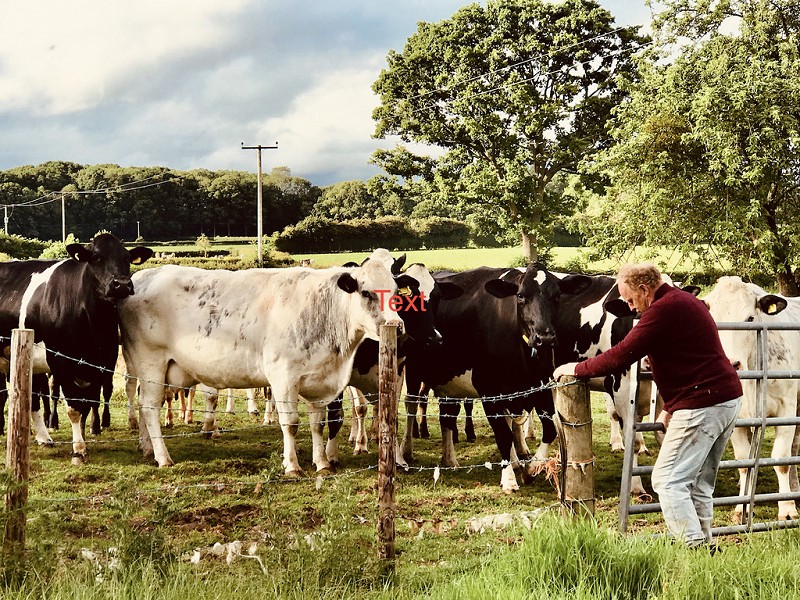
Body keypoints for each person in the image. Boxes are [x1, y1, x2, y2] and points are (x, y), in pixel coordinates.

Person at [553, 263, 742, 548]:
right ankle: (704, 545)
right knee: (699, 484)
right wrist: (671, 405)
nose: (630, 307)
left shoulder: (662, 310)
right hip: (725, 398)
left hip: (703, 402)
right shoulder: (684, 301)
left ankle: (695, 547)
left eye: (630, 299)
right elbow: (692, 355)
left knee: (666, 480)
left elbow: (621, 355)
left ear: (644, 289)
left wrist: (576, 368)